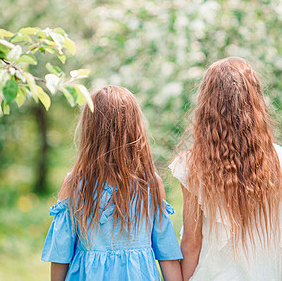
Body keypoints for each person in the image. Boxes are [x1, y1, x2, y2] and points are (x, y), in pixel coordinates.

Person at [169, 57, 282, 281]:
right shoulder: (281, 160)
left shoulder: (193, 165)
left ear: (206, 104)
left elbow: (192, 243)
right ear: (255, 101)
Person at [41, 86, 183, 281]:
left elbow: (60, 256)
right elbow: (168, 257)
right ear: (135, 128)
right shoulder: (150, 183)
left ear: (90, 130)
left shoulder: (74, 183)